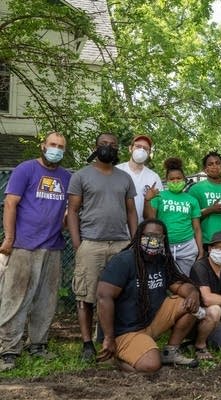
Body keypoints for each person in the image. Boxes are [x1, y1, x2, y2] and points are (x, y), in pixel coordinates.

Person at [0, 132, 71, 371]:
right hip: (24, 245)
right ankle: (8, 348)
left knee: (46, 300)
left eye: (61, 146)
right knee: (16, 298)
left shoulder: (65, 177)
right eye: (52, 144)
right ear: (43, 146)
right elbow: (10, 203)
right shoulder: (26, 169)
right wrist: (10, 237)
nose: (56, 149)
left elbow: (66, 210)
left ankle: (37, 344)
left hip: (52, 246)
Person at [67, 132, 138, 362]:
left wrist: (134, 242)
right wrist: (78, 243)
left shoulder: (124, 178)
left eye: (113, 145)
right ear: (95, 147)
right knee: (85, 296)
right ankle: (87, 343)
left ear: (118, 150)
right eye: (104, 144)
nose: (108, 147)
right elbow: (73, 211)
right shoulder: (81, 176)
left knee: (118, 294)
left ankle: (111, 337)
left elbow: (131, 211)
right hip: (91, 243)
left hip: (120, 243)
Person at [96, 219, 200, 372]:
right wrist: (108, 337)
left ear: (164, 239)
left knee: (189, 303)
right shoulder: (123, 261)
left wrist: (193, 292)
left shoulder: (162, 261)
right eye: (149, 236)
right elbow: (104, 297)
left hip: (150, 323)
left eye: (158, 237)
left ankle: (170, 352)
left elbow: (181, 286)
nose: (153, 241)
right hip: (125, 331)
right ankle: (115, 359)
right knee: (151, 365)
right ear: (139, 237)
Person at [144, 157, 203, 276]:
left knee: (183, 281)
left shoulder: (192, 200)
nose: (175, 181)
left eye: (178, 178)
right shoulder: (159, 196)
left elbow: (196, 228)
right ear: (167, 180)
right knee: (161, 280)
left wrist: (200, 249)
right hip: (162, 246)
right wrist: (147, 200)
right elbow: (149, 219)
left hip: (187, 247)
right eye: (172, 179)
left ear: (184, 179)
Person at [116, 134, 163, 223]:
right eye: (138, 146)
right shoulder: (117, 171)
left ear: (149, 153)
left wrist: (147, 200)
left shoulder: (154, 177)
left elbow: (153, 215)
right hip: (117, 229)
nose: (141, 150)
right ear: (130, 148)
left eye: (145, 148)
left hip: (142, 229)